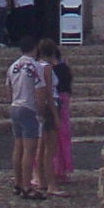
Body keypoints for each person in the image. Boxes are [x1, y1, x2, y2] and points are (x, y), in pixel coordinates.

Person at [7, 35, 47, 201]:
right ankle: (26, 186)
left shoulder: (13, 66)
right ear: (35, 48)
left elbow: (9, 89)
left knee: (18, 146)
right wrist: (41, 112)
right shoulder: (36, 67)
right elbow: (39, 91)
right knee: (30, 150)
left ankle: (17, 183)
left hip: (15, 106)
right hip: (29, 107)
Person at [33, 39, 68, 197]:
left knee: (41, 147)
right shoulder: (46, 68)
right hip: (50, 106)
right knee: (50, 149)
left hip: (39, 107)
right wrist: (56, 115)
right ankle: (52, 185)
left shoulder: (36, 66)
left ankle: (41, 179)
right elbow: (48, 92)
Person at [52, 44, 74, 184]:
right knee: (63, 136)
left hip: (55, 101)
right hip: (64, 100)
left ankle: (54, 169)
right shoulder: (64, 67)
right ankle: (63, 168)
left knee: (52, 137)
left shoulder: (48, 69)